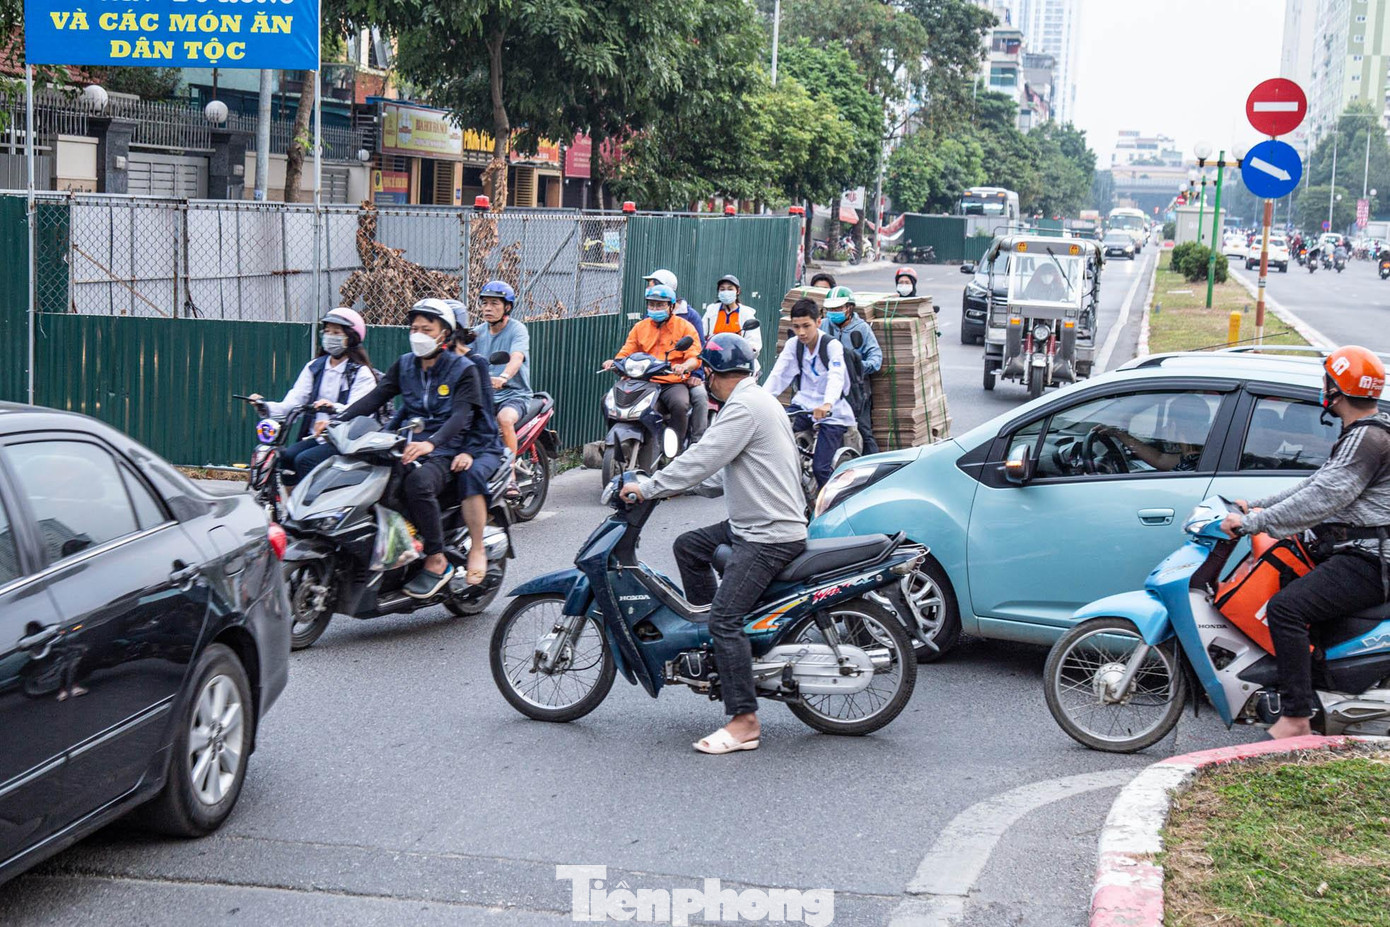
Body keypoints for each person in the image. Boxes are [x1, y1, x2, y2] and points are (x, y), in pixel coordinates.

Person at [618, 332, 807, 755]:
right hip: (754, 523)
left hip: (768, 535)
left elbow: (703, 457)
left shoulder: (743, 408)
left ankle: (744, 722)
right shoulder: (754, 401)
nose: (705, 380)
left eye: (707, 373)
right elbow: (716, 475)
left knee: (726, 617)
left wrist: (651, 486)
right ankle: (713, 645)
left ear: (718, 374)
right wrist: (672, 486)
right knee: (690, 546)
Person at [1220, 346, 1390, 740]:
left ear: (1338, 389)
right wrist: (1258, 507)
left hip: (1367, 560)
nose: (1324, 388)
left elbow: (1322, 500)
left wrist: (1252, 523)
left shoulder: (1367, 440)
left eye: (1328, 381)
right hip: (1356, 552)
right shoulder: (1365, 434)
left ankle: (1297, 716)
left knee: (1285, 608)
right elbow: (1315, 485)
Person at [335, 298, 487, 598]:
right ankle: (397, 545)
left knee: (418, 484)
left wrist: (431, 443)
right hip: (406, 443)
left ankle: (437, 559)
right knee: (373, 478)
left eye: (426, 329)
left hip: (447, 449)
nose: (418, 334)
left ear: (444, 333)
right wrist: (337, 422)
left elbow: (459, 416)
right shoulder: (405, 364)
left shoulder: (463, 369)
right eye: (414, 328)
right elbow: (375, 398)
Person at [250, 308, 378, 485]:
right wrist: (264, 406)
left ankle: (314, 509)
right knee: (285, 457)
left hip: (343, 441)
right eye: (327, 331)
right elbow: (294, 401)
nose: (330, 336)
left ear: (351, 338)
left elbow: (359, 410)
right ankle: (289, 510)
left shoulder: (361, 373)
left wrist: (333, 408)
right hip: (316, 438)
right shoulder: (314, 367)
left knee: (305, 461)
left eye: (336, 332)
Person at [763, 298, 856, 488]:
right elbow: (779, 374)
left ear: (818, 322)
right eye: (796, 327)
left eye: (806, 326)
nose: (801, 332)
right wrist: (762, 398)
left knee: (821, 468)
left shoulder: (831, 346)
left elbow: (836, 377)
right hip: (803, 405)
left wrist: (827, 404)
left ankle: (828, 507)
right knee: (774, 440)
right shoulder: (793, 345)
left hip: (832, 411)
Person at [604, 284, 702, 447]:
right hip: (643, 381)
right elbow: (627, 350)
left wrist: (684, 366)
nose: (655, 308)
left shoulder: (684, 327)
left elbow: (694, 357)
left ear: (671, 306)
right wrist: (615, 362)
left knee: (680, 404)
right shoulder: (640, 327)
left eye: (660, 305)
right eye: (651, 304)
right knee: (608, 400)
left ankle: (674, 450)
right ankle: (616, 441)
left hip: (670, 382)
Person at [471, 280, 532, 493]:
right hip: (484, 395)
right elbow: (460, 355)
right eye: (484, 303)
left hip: (514, 394)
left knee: (504, 419)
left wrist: (504, 376)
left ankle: (510, 475)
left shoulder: (517, 330)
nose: (487, 308)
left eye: (494, 303)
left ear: (507, 307)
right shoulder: (477, 332)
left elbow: (516, 356)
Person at [644, 269, 709, 442]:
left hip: (681, 375)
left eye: (653, 285)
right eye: (652, 303)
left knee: (700, 397)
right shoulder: (647, 320)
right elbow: (635, 347)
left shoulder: (690, 318)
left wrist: (694, 373)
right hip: (651, 376)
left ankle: (696, 442)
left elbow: (697, 349)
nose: (649, 289)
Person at [819, 286, 882, 456]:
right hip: (828, 386)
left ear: (849, 308)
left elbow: (876, 358)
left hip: (856, 388)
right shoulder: (823, 325)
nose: (833, 312)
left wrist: (856, 366)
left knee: (863, 429)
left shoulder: (862, 328)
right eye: (830, 309)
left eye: (838, 308)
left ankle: (874, 469)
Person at [1094, 395, 1213, 472]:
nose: (1165, 427)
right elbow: (1160, 459)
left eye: (1168, 421)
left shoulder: (1186, 469)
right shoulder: (1199, 458)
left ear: (1176, 425)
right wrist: (1119, 433)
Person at [702, 273, 761, 361]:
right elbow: (702, 334)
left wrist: (750, 349)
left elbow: (754, 341)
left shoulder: (747, 314)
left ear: (737, 291)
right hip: (714, 361)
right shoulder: (711, 312)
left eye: (730, 289)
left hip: (739, 361)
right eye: (722, 289)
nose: (726, 292)